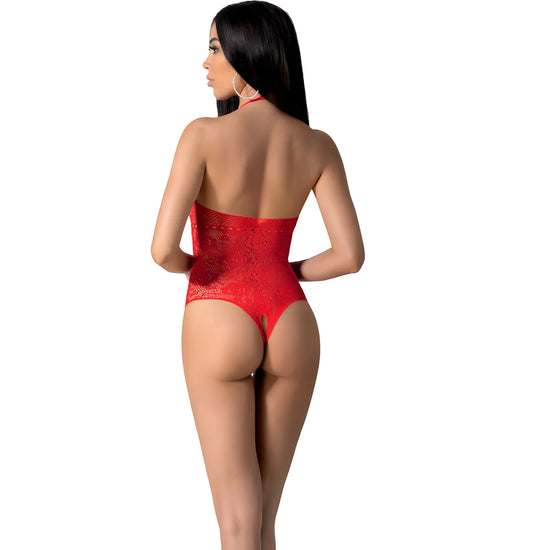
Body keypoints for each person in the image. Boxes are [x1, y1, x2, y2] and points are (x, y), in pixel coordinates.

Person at [151, 2, 364, 549]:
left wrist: (206, 271)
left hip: (217, 310)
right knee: (263, 523)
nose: (205, 63)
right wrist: (278, 270)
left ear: (248, 56)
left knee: (237, 527)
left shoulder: (202, 135)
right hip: (291, 319)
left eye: (214, 49)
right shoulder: (317, 144)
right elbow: (349, 256)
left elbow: (162, 251)